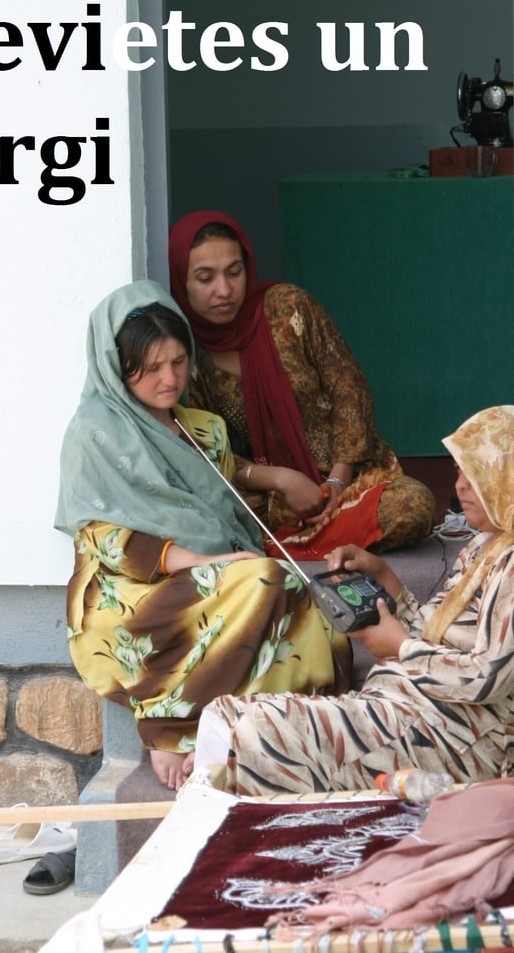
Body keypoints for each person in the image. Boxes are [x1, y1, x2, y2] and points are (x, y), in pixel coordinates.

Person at [194, 405, 514, 795]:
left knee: (257, 732)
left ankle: (220, 836)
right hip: (413, 709)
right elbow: (433, 637)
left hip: (462, 740)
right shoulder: (491, 544)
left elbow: (486, 679)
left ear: (512, 478)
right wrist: (382, 576)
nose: (460, 485)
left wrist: (399, 647)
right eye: (461, 472)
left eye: (476, 474)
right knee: (222, 715)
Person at [55, 280, 351, 790]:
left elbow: (218, 479)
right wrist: (195, 560)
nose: (169, 379)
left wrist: (276, 480)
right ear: (115, 366)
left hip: (215, 568)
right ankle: (172, 730)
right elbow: (101, 535)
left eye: (178, 362)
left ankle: (259, 733)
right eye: (150, 369)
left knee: (301, 599)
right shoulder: (94, 433)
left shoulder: (203, 427)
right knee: (262, 582)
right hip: (134, 588)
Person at [168, 210, 436, 558]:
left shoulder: (288, 307)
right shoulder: (185, 356)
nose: (224, 290)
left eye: (234, 272)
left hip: (344, 482)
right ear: (181, 281)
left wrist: (337, 483)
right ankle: (318, 540)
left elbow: (349, 389)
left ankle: (288, 543)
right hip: (267, 495)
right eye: (205, 278)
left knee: (413, 506)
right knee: (199, 519)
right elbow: (205, 448)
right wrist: (281, 480)